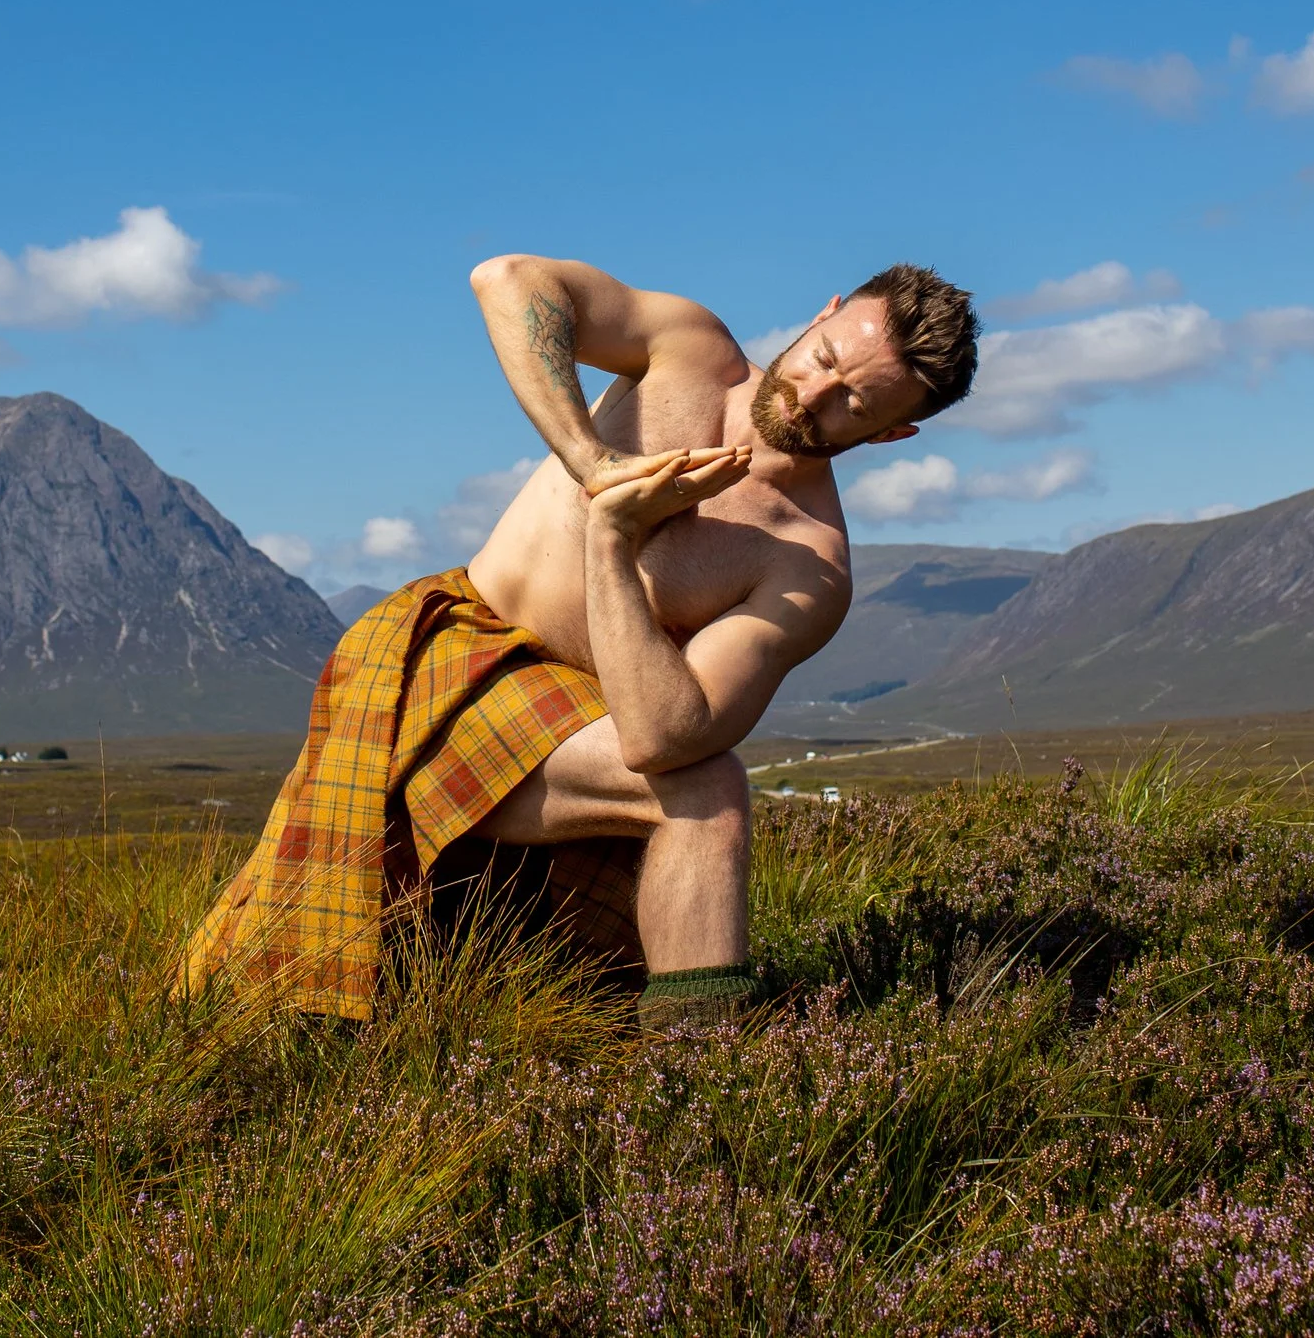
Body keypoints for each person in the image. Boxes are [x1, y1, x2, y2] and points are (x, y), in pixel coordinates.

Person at [179, 256, 979, 1025]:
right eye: (824, 358)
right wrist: (592, 461)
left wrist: (611, 541)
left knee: (708, 791)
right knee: (270, 1004)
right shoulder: (687, 346)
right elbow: (508, 280)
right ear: (823, 315)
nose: (814, 394)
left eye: (856, 404)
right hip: (453, 649)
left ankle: (702, 1077)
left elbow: (666, 732)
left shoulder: (809, 565)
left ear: (891, 435)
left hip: (573, 724)